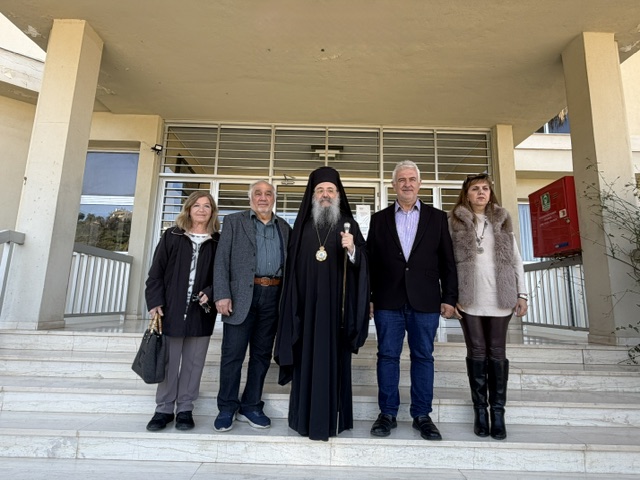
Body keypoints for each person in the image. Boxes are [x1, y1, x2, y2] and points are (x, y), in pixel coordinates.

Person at [275, 166, 370, 442]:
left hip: (336, 314)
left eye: (330, 190)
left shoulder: (349, 225)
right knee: (305, 361)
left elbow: (364, 266)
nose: (325, 194)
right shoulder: (302, 227)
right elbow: (292, 272)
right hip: (306, 313)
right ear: (312, 194)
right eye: (320, 190)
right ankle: (302, 419)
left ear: (338, 194)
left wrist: (353, 249)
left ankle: (334, 420)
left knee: (334, 363)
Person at [367, 160, 458, 441]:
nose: (407, 184)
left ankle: (422, 416)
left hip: (426, 300)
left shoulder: (437, 218)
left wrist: (449, 297)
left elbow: (447, 261)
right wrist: (369, 297)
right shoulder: (379, 219)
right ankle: (387, 414)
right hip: (388, 300)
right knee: (387, 357)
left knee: (423, 357)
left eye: (411, 179)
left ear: (420, 183)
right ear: (393, 185)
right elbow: (371, 262)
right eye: (401, 180)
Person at [449, 173, 528, 440]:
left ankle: (498, 413)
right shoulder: (454, 221)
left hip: (501, 296)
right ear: (466, 194)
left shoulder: (502, 219)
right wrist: (449, 296)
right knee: (477, 351)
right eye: (475, 189)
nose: (481, 192)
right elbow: (446, 262)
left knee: (497, 352)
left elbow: (516, 259)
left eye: (485, 188)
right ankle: (480, 412)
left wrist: (522, 294)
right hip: (469, 297)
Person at [213, 180, 291, 432]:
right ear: (251, 198)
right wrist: (222, 294)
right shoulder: (234, 222)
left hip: (273, 296)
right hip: (240, 297)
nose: (263, 197)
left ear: (274, 198)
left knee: (261, 355)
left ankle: (251, 405)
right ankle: (227, 407)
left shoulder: (284, 227)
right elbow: (221, 260)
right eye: (258, 193)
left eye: (268, 193)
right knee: (232, 355)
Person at [144, 191, 220, 431]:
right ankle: (164, 409)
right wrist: (155, 302)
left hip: (202, 311)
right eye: (196, 205)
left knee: (194, 363)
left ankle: (185, 408)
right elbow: (156, 273)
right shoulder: (172, 235)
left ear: (212, 212)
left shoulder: (218, 240)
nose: (201, 210)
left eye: (206, 206)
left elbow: (223, 275)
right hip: (171, 310)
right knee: (168, 361)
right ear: (188, 209)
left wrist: (212, 291)